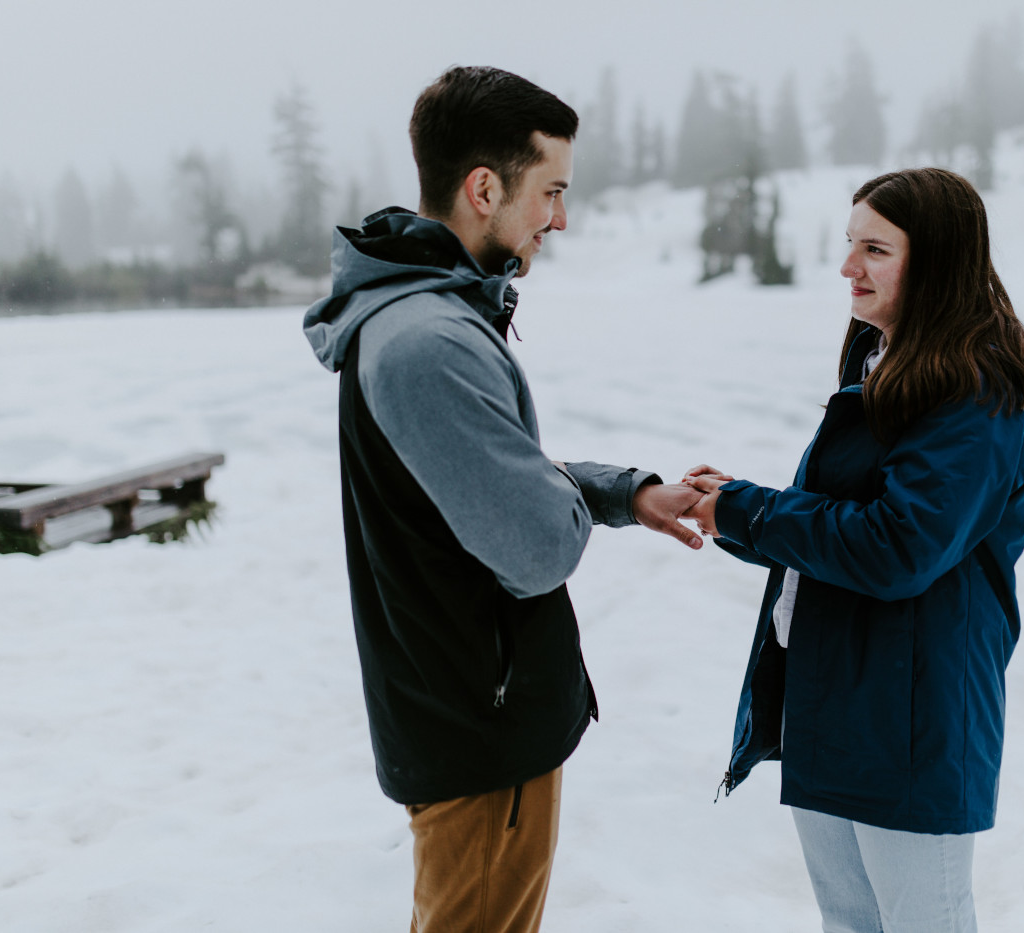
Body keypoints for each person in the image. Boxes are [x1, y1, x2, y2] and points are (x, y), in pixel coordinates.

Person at [301, 66, 702, 933]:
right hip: (477, 734)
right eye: (551, 191)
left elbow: (500, 473)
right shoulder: (426, 339)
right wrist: (566, 502)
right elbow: (536, 545)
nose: (560, 218)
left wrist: (629, 493)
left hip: (470, 716)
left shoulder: (423, 316)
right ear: (484, 188)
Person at [683, 168, 1024, 933]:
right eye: (850, 244)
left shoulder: (970, 393)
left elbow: (896, 547)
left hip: (911, 722)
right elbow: (836, 529)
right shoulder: (882, 366)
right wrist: (734, 513)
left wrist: (750, 510)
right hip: (837, 704)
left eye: (875, 248)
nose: (848, 267)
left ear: (938, 261)